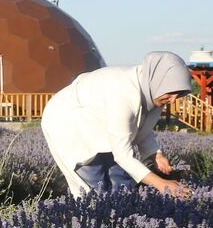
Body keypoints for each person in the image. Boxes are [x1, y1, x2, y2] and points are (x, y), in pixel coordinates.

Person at [41, 51, 192, 198]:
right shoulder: (124, 93)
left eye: (178, 94)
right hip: (68, 122)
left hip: (101, 125)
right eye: (170, 92)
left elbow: (141, 126)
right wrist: (161, 184)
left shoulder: (153, 91)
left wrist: (155, 154)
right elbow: (123, 154)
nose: (173, 100)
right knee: (94, 186)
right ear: (158, 81)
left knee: (121, 183)